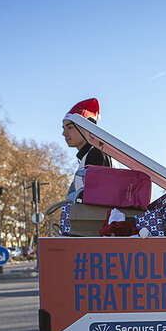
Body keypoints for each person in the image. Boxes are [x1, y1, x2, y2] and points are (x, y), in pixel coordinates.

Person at [58, 98, 114, 234]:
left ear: (86, 128)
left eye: (70, 127)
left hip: (94, 234)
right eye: (64, 128)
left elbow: (98, 203)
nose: (64, 133)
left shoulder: (97, 154)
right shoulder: (88, 155)